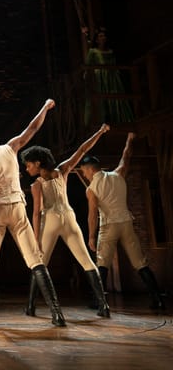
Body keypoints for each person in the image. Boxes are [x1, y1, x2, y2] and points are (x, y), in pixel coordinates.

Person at [0, 99, 66, 327]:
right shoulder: (9, 147)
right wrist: (45, 107)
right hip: (17, 207)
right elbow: (32, 128)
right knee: (35, 260)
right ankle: (57, 313)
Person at [21, 123, 111, 318]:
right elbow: (83, 149)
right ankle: (104, 306)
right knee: (87, 262)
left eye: (28, 164)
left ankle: (30, 306)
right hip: (69, 217)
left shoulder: (37, 184)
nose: (27, 169)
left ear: (37, 163)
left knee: (38, 264)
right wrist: (100, 131)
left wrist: (35, 239)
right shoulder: (62, 170)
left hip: (51, 218)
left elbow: (36, 213)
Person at [82, 132, 166, 310]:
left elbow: (92, 214)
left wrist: (91, 236)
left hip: (109, 226)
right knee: (140, 262)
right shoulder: (118, 174)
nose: (84, 174)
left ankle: (99, 301)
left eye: (84, 171)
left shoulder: (91, 188)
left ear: (90, 169)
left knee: (102, 263)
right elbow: (126, 156)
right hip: (126, 223)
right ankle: (157, 298)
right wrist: (129, 139)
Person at [82, 26, 134, 125]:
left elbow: (114, 62)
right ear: (97, 39)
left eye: (104, 36)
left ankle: (118, 119)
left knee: (115, 96)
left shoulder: (110, 51)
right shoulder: (93, 52)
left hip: (111, 76)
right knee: (102, 97)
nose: (102, 38)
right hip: (100, 77)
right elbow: (88, 64)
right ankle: (104, 119)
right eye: (100, 36)